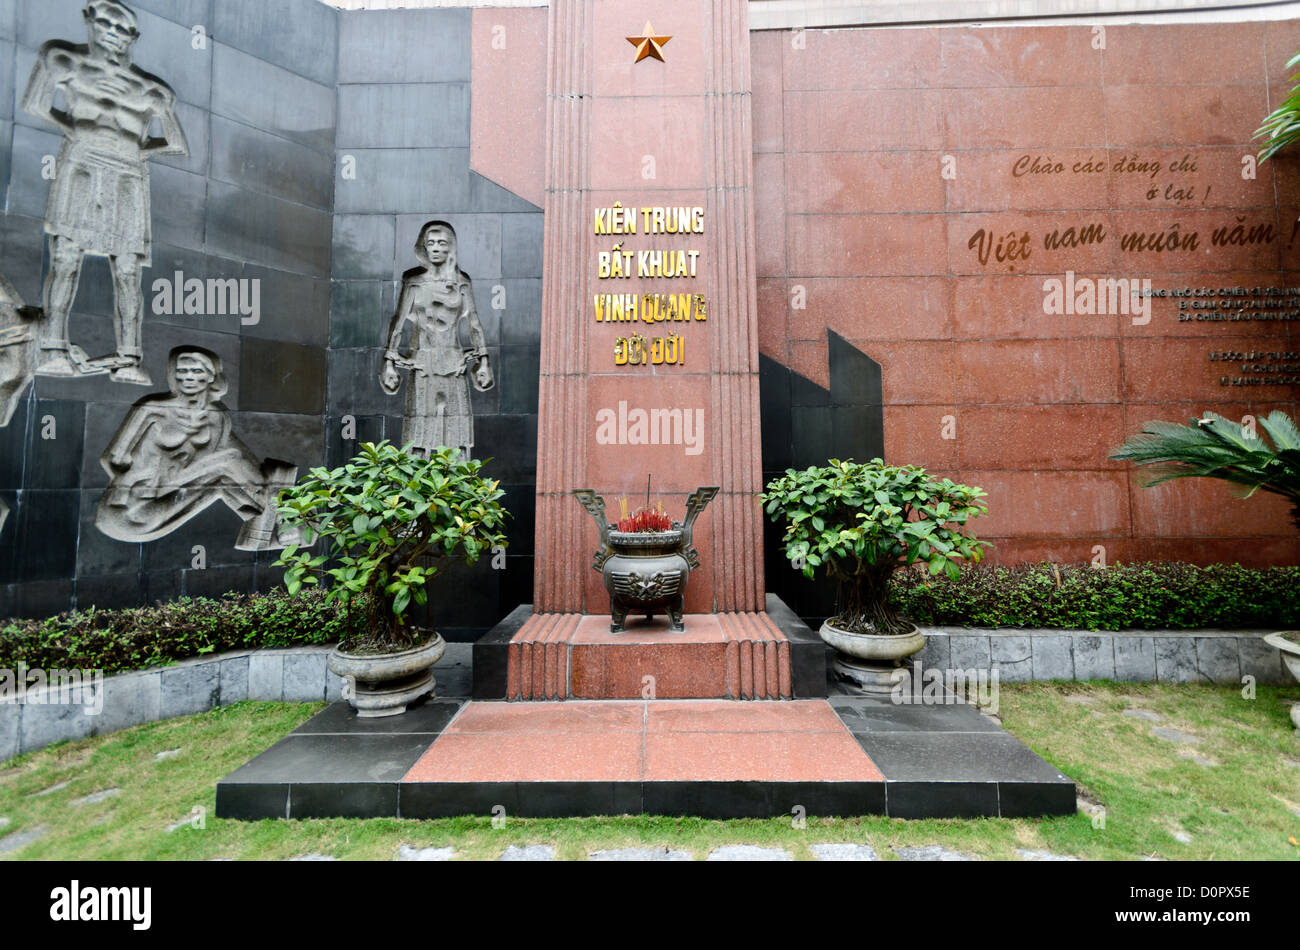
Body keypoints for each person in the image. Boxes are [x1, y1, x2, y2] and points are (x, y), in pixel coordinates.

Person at [22, 0, 188, 386]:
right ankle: (53, 347)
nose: (114, 33)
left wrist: (135, 151)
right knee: (66, 255)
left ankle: (130, 358)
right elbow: (35, 104)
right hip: (82, 163)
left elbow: (176, 142)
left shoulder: (151, 89)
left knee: (128, 269)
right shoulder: (64, 60)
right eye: (107, 22)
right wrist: (80, 133)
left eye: (123, 28)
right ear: (89, 20)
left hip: (128, 174)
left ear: (134, 37)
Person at [96, 347, 298, 550]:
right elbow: (112, 459)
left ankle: (276, 515)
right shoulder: (152, 408)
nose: (188, 377)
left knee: (231, 469)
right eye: (182, 371)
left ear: (211, 377)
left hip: (178, 485)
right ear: (173, 375)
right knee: (228, 466)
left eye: (197, 371)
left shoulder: (216, 416)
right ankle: (284, 512)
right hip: (129, 509)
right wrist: (143, 481)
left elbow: (237, 459)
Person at [381, 221, 493, 459]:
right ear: (423, 247)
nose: (435, 248)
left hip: (454, 363)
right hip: (422, 363)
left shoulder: (462, 282)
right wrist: (389, 362)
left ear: (450, 247)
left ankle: (458, 484)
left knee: (457, 435)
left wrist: (483, 361)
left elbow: (473, 322)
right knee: (420, 431)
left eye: (441, 243)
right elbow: (398, 321)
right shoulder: (413, 282)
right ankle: (418, 483)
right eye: (430, 243)